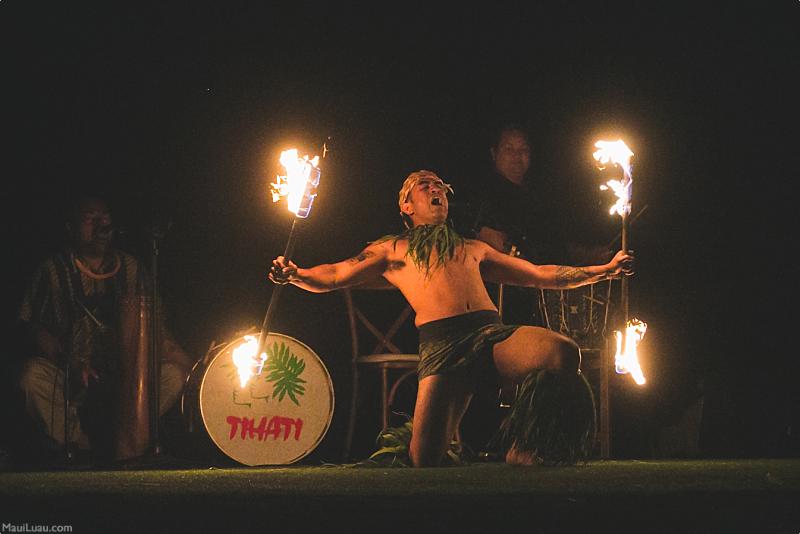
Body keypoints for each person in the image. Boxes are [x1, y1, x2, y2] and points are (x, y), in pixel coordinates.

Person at [270, 170, 633, 466]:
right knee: (424, 460)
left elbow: (538, 274)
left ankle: (526, 447)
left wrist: (604, 270)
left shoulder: (472, 248)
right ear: (406, 205)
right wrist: (296, 274)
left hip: (490, 336)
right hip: (442, 348)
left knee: (562, 352)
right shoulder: (393, 249)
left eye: (440, 185)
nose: (436, 189)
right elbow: (334, 274)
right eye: (424, 185)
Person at [14, 194, 193, 464]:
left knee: (172, 376)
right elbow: (34, 328)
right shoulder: (52, 271)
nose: (101, 225)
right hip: (73, 377)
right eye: (90, 218)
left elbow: (158, 333)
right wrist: (70, 362)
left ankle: (131, 440)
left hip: (127, 380)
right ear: (71, 227)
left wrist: (196, 371)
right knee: (31, 376)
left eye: (105, 218)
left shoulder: (132, 269)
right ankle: (81, 447)